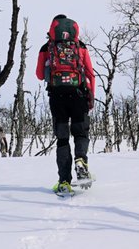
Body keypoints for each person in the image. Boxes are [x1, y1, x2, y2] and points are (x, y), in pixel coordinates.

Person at [35, 14, 95, 195]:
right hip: (79, 95)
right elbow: (90, 73)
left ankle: (64, 182)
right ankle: (81, 160)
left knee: (62, 140)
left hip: (57, 97)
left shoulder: (47, 48)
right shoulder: (80, 47)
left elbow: (39, 74)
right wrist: (90, 97)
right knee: (80, 132)